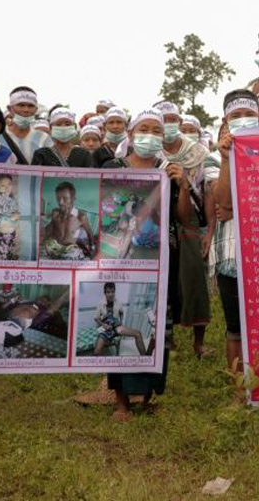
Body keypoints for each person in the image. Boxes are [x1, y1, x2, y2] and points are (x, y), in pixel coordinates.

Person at [99, 108, 193, 420]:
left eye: (156, 130)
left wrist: (185, 186)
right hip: (123, 263)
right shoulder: (112, 168)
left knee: (156, 326)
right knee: (125, 319)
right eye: (144, 129)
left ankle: (148, 394)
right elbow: (106, 216)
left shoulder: (170, 171)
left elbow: (183, 218)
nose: (150, 135)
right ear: (129, 135)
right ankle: (122, 401)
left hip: (161, 262)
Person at [154, 101, 212, 357]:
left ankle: (199, 343)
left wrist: (209, 231)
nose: (168, 124)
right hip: (157, 224)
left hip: (189, 223)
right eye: (163, 119)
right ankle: (167, 340)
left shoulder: (197, 153)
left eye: (173, 119)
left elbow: (208, 193)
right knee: (163, 283)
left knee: (195, 280)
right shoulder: (146, 152)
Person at [213, 90, 259, 371]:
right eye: (236, 116)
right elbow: (224, 203)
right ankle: (238, 390)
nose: (243, 120)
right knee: (235, 326)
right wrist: (226, 159)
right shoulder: (215, 155)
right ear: (225, 120)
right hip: (231, 253)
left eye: (249, 115)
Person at [41, 181, 97, 260]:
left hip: (69, 249)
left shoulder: (80, 217)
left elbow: (90, 234)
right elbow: (51, 228)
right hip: (53, 245)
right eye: (58, 198)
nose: (60, 202)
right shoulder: (55, 213)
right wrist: (43, 236)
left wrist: (92, 248)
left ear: (73, 199)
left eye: (65, 198)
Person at [93, 282, 148, 357]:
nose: (111, 294)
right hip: (105, 329)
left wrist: (121, 322)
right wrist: (103, 325)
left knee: (138, 333)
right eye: (108, 292)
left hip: (116, 326)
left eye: (112, 292)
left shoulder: (118, 302)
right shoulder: (100, 303)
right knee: (96, 352)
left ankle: (145, 358)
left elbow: (121, 312)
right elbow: (96, 318)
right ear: (105, 293)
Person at [2, 86, 51, 163]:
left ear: (36, 110)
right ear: (9, 109)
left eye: (30, 106)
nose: (26, 110)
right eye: (21, 105)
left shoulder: (44, 139)